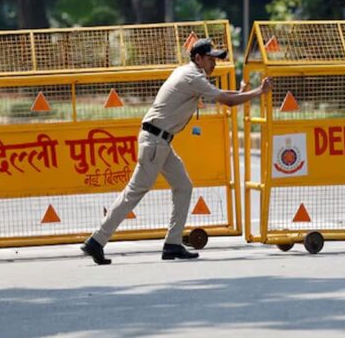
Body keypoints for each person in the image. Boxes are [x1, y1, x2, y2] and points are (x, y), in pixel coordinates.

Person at [81, 38, 272, 265]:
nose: (214, 64)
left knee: (183, 186)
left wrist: (241, 91)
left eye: (215, 60)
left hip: (159, 142)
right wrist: (259, 91)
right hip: (155, 142)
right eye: (211, 59)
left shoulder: (191, 74)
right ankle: (97, 240)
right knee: (134, 192)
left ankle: (172, 244)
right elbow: (228, 101)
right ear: (198, 58)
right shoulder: (192, 76)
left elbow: (221, 93)